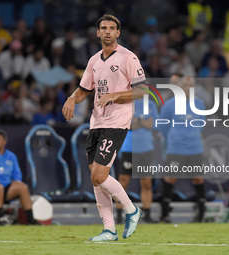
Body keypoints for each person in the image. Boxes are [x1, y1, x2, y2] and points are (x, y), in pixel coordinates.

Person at [62, 14, 146, 241]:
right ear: (97, 33)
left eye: (112, 28)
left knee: (100, 174)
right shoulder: (93, 61)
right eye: (103, 28)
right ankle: (109, 230)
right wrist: (71, 98)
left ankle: (131, 210)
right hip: (96, 122)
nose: (107, 31)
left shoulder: (128, 57)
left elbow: (142, 90)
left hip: (117, 122)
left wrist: (115, 95)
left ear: (118, 33)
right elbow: (83, 90)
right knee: (96, 179)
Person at [159, 76, 206, 223]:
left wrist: (191, 135)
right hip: (176, 148)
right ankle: (165, 214)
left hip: (194, 148)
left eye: (191, 86)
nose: (188, 89)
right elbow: (163, 126)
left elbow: (202, 123)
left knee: (198, 179)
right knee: (170, 179)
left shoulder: (200, 103)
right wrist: (175, 138)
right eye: (185, 86)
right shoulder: (170, 104)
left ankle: (201, 214)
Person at [0, 129, 39, 225]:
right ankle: (1, 218)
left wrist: (17, 181)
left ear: (4, 142)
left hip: (6, 188)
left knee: (23, 187)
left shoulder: (11, 156)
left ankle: (31, 219)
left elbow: (17, 173)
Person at [116, 98, 160, 224]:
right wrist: (144, 122)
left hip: (146, 148)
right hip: (129, 147)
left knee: (146, 182)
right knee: (123, 182)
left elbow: (155, 124)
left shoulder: (151, 104)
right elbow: (126, 124)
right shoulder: (127, 103)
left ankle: (147, 215)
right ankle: (119, 216)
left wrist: (137, 121)